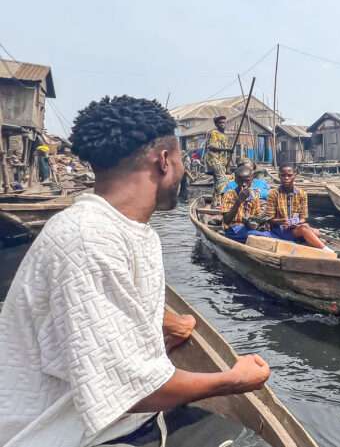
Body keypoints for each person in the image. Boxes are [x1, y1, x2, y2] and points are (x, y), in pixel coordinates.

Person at [0, 96, 270, 447]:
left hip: (123, 425)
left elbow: (99, 302)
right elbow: (132, 392)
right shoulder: (88, 238)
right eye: (180, 159)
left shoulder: (128, 231)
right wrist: (235, 380)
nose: (184, 169)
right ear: (164, 161)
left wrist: (163, 319)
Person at [264, 164, 332, 251]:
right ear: (279, 176)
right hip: (280, 229)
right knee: (304, 228)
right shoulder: (273, 194)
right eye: (283, 175)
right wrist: (283, 221)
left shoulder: (302, 193)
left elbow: (303, 217)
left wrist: (295, 222)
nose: (286, 178)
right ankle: (328, 251)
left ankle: (315, 245)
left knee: (316, 232)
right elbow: (269, 219)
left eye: (289, 175)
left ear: (295, 175)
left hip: (294, 227)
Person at [221, 165, 272, 243]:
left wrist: (258, 222)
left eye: (247, 181)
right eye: (241, 181)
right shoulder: (229, 194)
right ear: (236, 180)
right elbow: (226, 220)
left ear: (252, 180)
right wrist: (238, 202)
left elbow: (257, 215)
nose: (244, 184)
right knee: (258, 235)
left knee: (266, 233)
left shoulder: (254, 195)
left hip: (249, 228)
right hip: (233, 230)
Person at [204, 115, 230, 206]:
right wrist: (226, 150)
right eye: (220, 123)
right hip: (213, 160)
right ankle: (224, 202)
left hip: (221, 161)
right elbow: (211, 146)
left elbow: (226, 151)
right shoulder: (214, 133)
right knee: (222, 180)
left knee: (217, 183)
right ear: (216, 124)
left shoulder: (225, 136)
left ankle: (214, 203)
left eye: (224, 122)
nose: (223, 124)